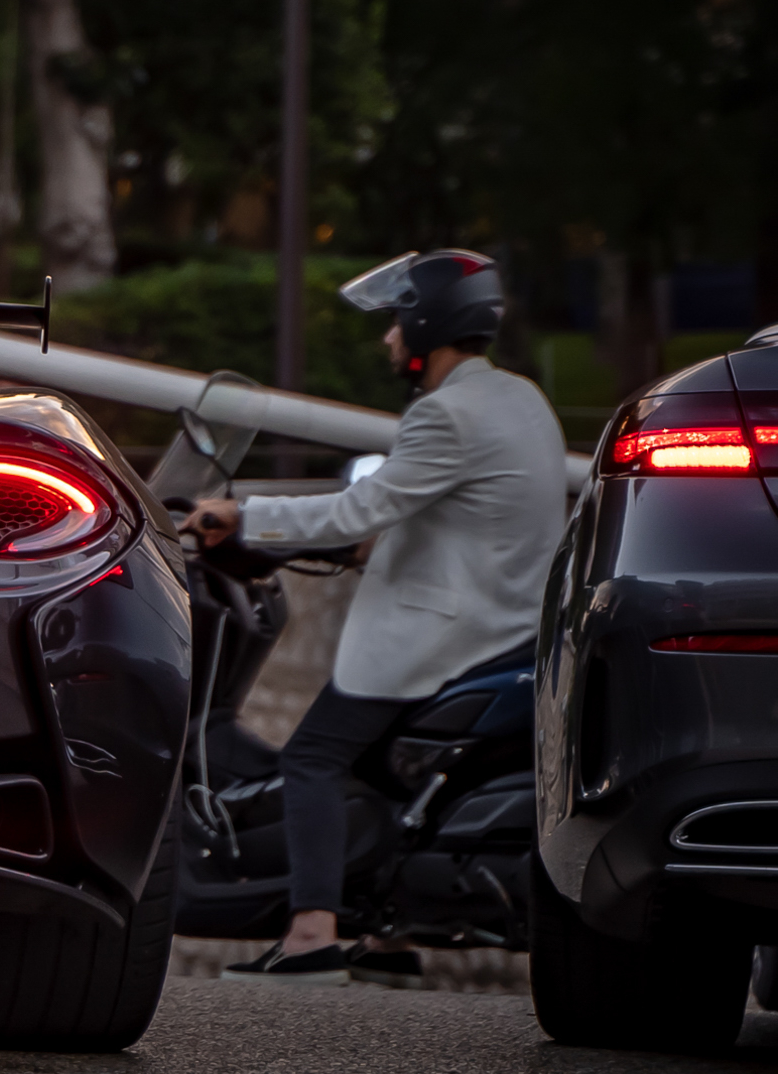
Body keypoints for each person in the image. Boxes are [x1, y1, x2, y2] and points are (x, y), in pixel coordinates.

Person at [182, 250, 567, 985]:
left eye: (396, 322)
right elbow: (464, 515)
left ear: (426, 321)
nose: (389, 338)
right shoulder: (521, 400)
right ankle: (389, 935)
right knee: (385, 774)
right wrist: (368, 547)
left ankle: (310, 935)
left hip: (442, 632)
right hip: (505, 622)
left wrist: (242, 515)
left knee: (314, 757)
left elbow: (364, 503)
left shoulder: (447, 413)